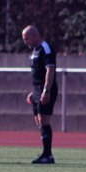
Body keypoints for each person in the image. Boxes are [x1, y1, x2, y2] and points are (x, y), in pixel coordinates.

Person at [21, 25, 58, 164]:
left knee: (44, 121)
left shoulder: (45, 48)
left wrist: (46, 90)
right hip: (37, 89)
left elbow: (50, 70)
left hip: (46, 89)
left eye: (27, 38)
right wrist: (34, 92)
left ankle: (48, 155)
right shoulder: (35, 50)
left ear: (35, 35)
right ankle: (45, 153)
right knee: (39, 122)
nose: (25, 42)